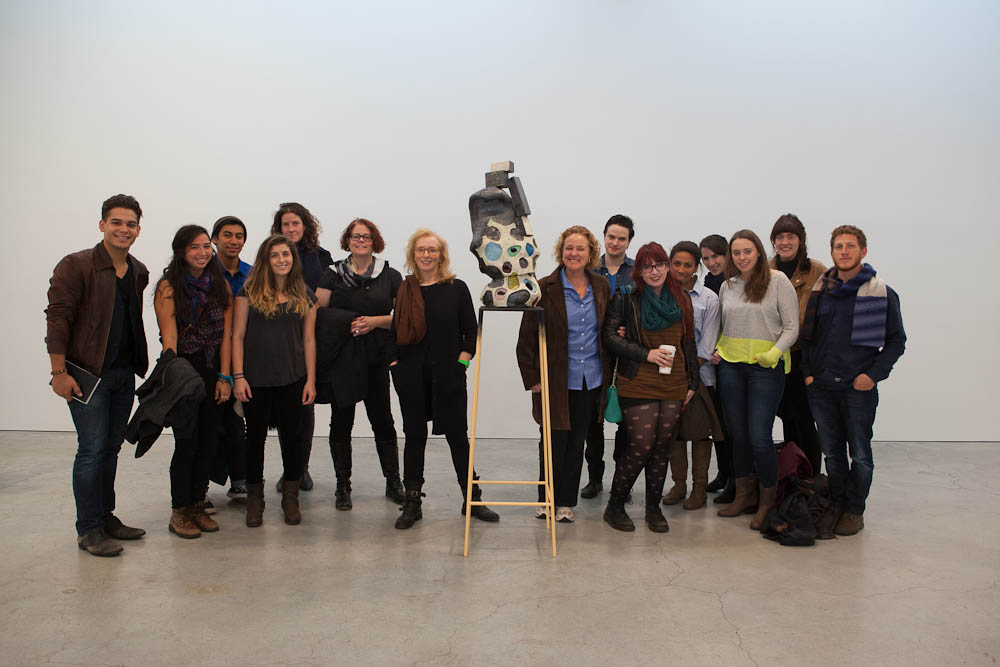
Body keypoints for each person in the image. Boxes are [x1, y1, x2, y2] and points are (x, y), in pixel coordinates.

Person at [46, 194, 149, 556]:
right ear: (102, 224)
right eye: (116, 222)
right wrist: (58, 371)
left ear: (139, 229)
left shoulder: (137, 271)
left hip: (123, 375)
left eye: (131, 223)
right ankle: (88, 529)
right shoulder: (76, 265)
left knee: (110, 449)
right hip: (87, 376)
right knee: (90, 450)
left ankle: (106, 518)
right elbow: (58, 318)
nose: (124, 229)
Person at [388, 229, 499, 529]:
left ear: (441, 255)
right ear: (413, 255)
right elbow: (395, 331)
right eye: (421, 250)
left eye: (432, 250)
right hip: (411, 374)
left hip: (448, 375)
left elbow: (469, 333)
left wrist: (461, 364)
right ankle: (412, 503)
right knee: (414, 436)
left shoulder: (456, 288)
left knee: (457, 437)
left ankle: (472, 499)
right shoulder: (404, 289)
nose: (426, 255)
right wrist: (395, 364)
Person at [801, 225, 905, 536]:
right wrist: (808, 374)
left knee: (859, 453)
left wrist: (871, 376)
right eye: (838, 246)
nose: (844, 251)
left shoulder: (881, 291)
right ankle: (836, 504)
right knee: (831, 452)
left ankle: (854, 510)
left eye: (850, 246)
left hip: (856, 388)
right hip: (821, 386)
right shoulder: (822, 290)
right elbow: (809, 338)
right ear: (831, 252)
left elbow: (896, 341)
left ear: (863, 251)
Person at [600, 243, 698, 531]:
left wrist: (693, 380)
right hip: (638, 380)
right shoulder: (627, 297)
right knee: (640, 446)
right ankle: (615, 506)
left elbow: (688, 341)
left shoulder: (681, 299)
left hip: (674, 380)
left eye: (659, 265)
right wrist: (648, 354)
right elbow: (611, 337)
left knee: (661, 448)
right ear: (639, 271)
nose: (654, 271)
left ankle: (653, 509)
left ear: (667, 267)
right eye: (647, 266)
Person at [516, 226, 610, 523]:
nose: (574, 253)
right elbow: (526, 338)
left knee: (577, 441)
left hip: (590, 378)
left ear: (590, 253)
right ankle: (546, 499)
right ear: (561, 251)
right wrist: (532, 379)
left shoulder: (601, 286)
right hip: (553, 379)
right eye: (569, 248)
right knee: (552, 440)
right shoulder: (544, 287)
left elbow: (606, 330)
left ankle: (566, 502)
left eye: (581, 248)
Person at [316, 218, 405, 510]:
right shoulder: (332, 274)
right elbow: (317, 313)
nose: (361, 240)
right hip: (343, 356)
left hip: (376, 356)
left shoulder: (390, 275)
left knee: (383, 420)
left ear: (374, 240)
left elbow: (404, 317)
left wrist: (374, 322)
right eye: (355, 236)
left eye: (366, 236)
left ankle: (394, 481)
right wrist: (348, 323)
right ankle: (343, 485)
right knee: (342, 421)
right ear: (347, 240)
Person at [713, 230, 799, 530]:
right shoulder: (728, 286)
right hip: (731, 367)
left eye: (747, 251)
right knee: (737, 434)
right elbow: (724, 325)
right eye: (736, 253)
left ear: (759, 252)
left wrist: (773, 353)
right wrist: (718, 350)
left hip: (765, 368)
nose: (742, 257)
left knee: (759, 435)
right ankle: (744, 496)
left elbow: (791, 327)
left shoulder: (778, 282)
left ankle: (767, 501)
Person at [153, 225, 233, 538]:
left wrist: (225, 376)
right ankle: (180, 511)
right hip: (185, 372)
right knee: (186, 443)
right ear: (181, 252)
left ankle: (198, 505)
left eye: (205, 246)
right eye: (193, 247)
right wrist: (176, 382)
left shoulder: (219, 285)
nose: (201, 253)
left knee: (208, 441)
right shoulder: (168, 287)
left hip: (213, 369)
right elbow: (169, 340)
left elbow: (225, 335)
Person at [233, 235, 317, 527]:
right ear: (265, 260)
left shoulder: (303, 292)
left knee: (293, 441)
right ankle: (255, 501)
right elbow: (238, 336)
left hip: (293, 379)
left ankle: (290, 498)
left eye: (287, 255)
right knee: (254, 441)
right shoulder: (248, 292)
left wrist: (311, 381)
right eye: (275, 255)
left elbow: (309, 339)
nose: (282, 260)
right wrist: (238, 376)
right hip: (255, 379)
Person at [271, 202, 333, 493]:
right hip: (280, 340)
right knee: (285, 407)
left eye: (296, 223)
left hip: (311, 338)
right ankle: (288, 469)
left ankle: (301, 468)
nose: (291, 229)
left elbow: (326, 299)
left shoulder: (322, 258)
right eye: (285, 224)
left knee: (305, 405)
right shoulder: (270, 256)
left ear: (306, 226)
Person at [662, 241, 724, 511]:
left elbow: (707, 346)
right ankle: (679, 484)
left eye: (688, 265)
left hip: (700, 377)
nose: (681, 270)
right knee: (673, 434)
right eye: (676, 264)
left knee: (700, 434)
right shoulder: (660, 294)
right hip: (668, 378)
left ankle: (699, 488)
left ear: (696, 266)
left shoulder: (709, 299)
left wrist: (687, 376)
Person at [581, 214, 635, 499]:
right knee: (594, 422)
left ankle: (621, 482)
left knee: (625, 424)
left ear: (628, 242)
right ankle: (594, 478)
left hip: (626, 357)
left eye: (622, 238)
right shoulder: (588, 269)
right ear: (603, 237)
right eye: (611, 237)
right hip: (594, 354)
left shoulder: (636, 272)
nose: (615, 242)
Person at [768, 214, 826, 475]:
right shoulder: (766, 269)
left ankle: (810, 477)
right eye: (779, 237)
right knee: (785, 417)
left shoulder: (817, 271)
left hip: (803, 357)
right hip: (773, 356)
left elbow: (826, 316)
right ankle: (790, 476)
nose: (785, 242)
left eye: (790, 236)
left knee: (803, 420)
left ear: (800, 240)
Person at [210, 216, 252, 505]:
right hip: (208, 357)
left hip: (243, 356)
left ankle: (240, 481)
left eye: (239, 236)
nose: (233, 241)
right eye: (227, 235)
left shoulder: (253, 274)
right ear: (214, 239)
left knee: (238, 424)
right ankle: (198, 487)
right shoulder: (203, 271)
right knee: (207, 425)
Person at [699, 233, 735, 503]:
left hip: (736, 360)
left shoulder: (738, 281)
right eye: (706, 258)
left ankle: (738, 478)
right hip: (715, 362)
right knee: (720, 423)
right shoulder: (710, 283)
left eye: (716, 256)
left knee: (735, 425)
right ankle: (724, 473)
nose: (712, 262)